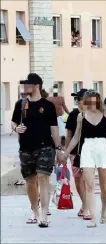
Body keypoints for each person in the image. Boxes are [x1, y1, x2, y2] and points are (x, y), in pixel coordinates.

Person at [11, 73, 62, 227]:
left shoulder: (48, 106)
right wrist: (16, 128)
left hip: (45, 147)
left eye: (28, 85)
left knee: (43, 177)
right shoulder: (20, 104)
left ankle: (44, 215)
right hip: (26, 148)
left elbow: (54, 129)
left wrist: (59, 149)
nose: (25, 87)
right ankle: (35, 211)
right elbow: (13, 123)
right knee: (31, 181)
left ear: (37, 86)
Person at [61, 90, 106, 228]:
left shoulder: (105, 114)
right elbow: (75, 137)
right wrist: (66, 153)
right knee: (89, 185)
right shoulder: (81, 116)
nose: (92, 103)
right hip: (87, 148)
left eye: (95, 100)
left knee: (105, 186)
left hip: (102, 147)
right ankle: (93, 217)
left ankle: (103, 212)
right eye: (90, 100)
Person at [65, 88, 90, 220]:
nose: (78, 102)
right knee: (78, 180)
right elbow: (69, 134)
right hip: (75, 152)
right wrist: (66, 151)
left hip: (90, 151)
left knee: (88, 179)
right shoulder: (73, 115)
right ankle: (85, 204)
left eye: (79, 99)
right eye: (77, 100)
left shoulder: (94, 114)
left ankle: (86, 206)